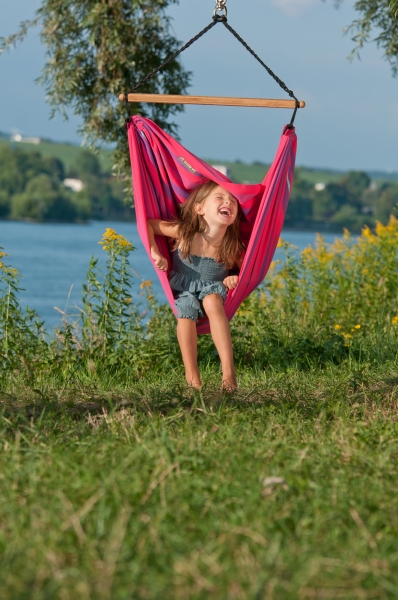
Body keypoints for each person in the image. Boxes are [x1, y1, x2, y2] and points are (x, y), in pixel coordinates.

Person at [147, 180, 245, 390]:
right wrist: (155, 251)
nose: (228, 201)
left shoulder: (231, 245)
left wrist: (234, 277)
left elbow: (246, 270)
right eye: (219, 197)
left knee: (211, 301)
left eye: (233, 201)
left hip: (213, 289)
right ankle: (193, 378)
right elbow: (149, 225)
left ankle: (228, 373)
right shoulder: (185, 233)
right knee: (185, 311)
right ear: (199, 208)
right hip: (184, 290)